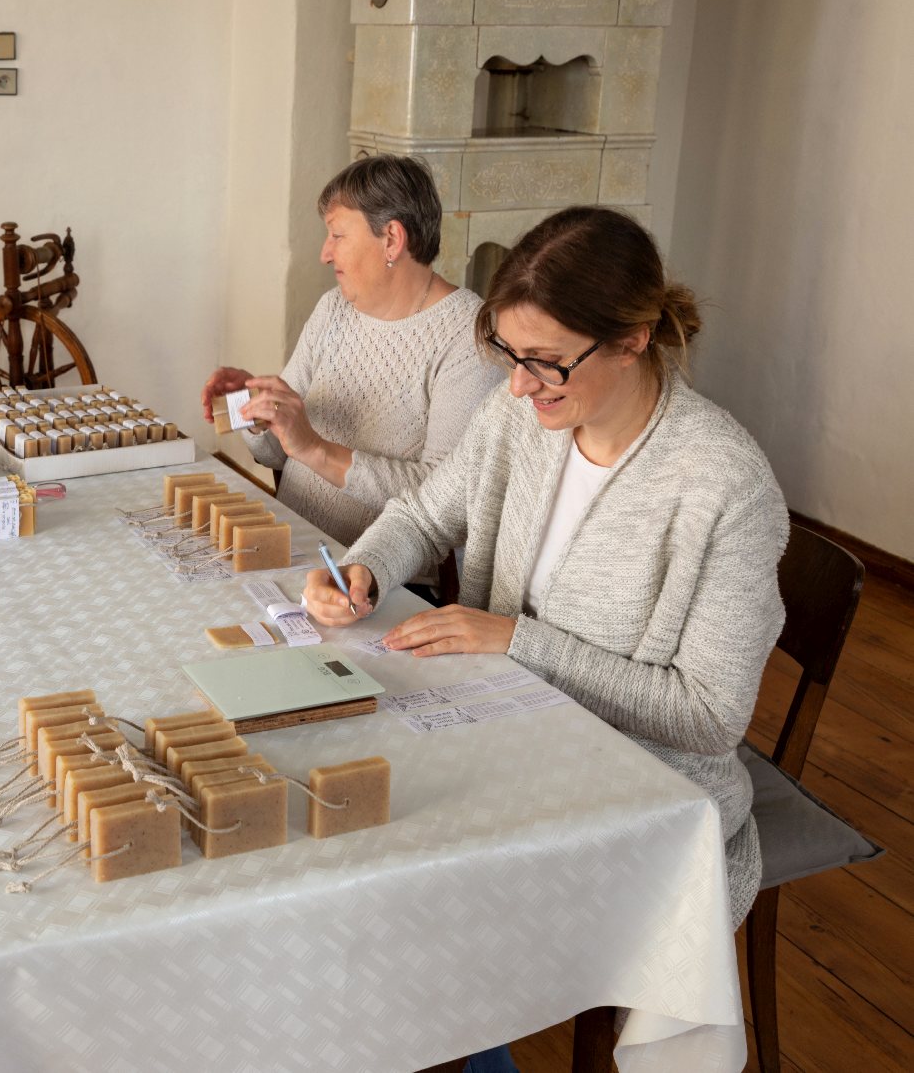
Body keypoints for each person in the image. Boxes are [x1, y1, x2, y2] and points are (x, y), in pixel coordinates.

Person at [305, 204, 788, 935]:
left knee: (415, 895)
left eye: (546, 360)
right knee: (347, 828)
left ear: (632, 339)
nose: (520, 386)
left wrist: (516, 640)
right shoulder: (521, 418)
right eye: (509, 354)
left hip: (641, 793)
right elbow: (425, 515)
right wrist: (364, 567)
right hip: (502, 729)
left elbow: (710, 716)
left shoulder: (726, 485)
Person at [200, 154, 498, 549]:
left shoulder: (468, 337)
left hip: (373, 571)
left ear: (391, 240)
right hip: (288, 539)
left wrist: (316, 449)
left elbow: (446, 501)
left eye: (337, 236)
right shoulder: (333, 309)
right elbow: (276, 454)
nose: (325, 253)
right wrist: (252, 408)